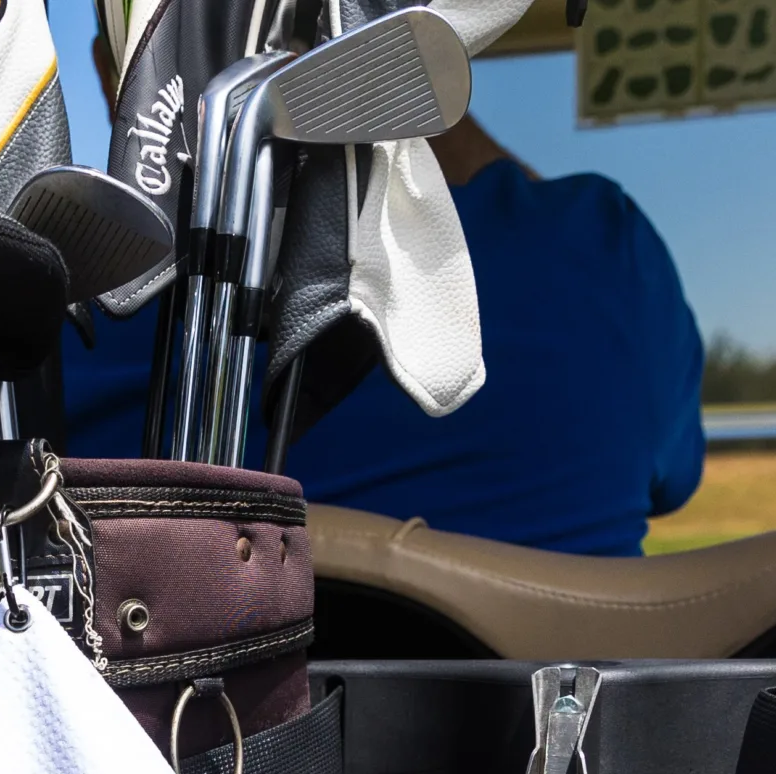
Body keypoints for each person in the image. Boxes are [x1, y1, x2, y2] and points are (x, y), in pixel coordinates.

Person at [60, 112, 706, 557]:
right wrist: (418, 101)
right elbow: (674, 483)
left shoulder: (65, 300)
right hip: (561, 752)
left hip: (188, 755)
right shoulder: (603, 253)